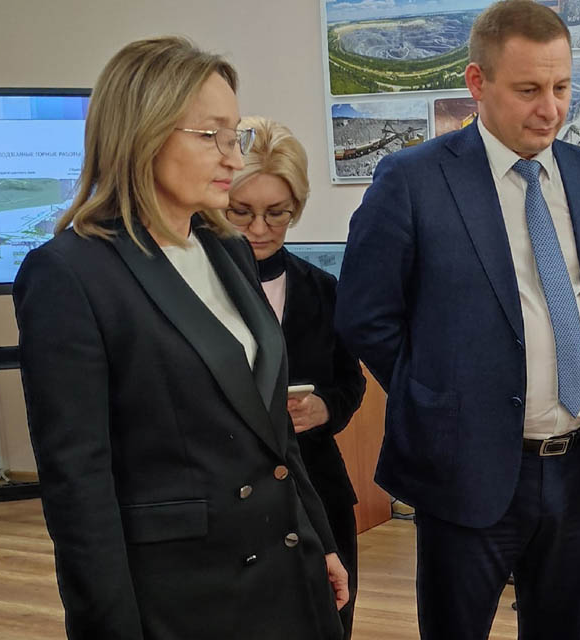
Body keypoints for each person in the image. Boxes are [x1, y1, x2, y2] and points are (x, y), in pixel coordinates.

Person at [12, 37, 347, 640]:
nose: (232, 157)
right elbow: (78, 484)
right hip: (185, 592)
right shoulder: (70, 274)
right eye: (211, 136)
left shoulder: (226, 251)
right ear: (143, 133)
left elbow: (272, 431)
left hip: (284, 565)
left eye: (235, 136)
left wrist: (317, 539)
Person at [333, 1, 580, 638]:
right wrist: (434, 397)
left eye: (562, 87)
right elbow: (365, 315)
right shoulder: (412, 179)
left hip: (579, 469)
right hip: (464, 471)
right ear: (477, 82)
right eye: (528, 90)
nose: (550, 109)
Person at [225, 115, 366, 637]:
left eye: (276, 213)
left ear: (297, 208)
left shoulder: (323, 289)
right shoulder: (195, 290)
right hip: (233, 499)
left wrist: (325, 408)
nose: (259, 229)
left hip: (319, 492)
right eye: (241, 212)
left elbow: (350, 382)